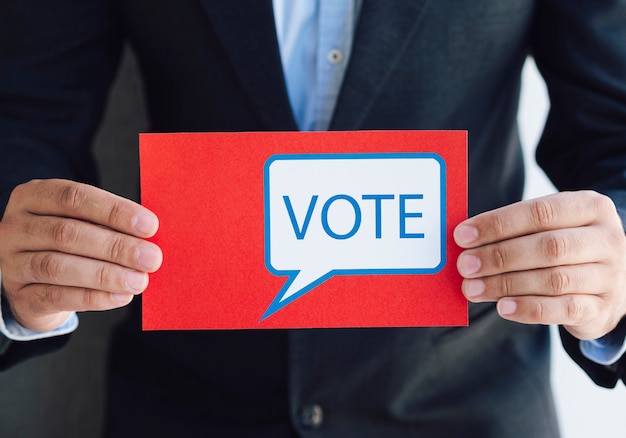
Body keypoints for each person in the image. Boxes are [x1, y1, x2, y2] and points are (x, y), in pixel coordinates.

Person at [1, 0, 625, 436]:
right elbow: (24, 115)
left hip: (462, 407)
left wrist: (616, 267)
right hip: (193, 408)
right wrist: (12, 276)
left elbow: (614, 128)